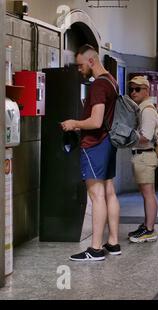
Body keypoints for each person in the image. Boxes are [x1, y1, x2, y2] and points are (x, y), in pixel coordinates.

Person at [61, 44, 121, 261]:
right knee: (109, 192)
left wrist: (73, 123)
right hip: (109, 142)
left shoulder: (98, 86)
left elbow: (95, 121)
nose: (79, 70)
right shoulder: (112, 81)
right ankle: (113, 243)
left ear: (91, 61)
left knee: (96, 196)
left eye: (80, 65)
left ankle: (95, 249)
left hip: (95, 143)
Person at [127, 76, 158, 243]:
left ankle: (149, 229)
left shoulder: (147, 110)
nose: (133, 92)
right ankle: (147, 225)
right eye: (131, 89)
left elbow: (145, 137)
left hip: (145, 155)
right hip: (143, 156)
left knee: (148, 194)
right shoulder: (142, 108)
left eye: (138, 89)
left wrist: (126, 136)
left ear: (146, 90)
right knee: (147, 193)